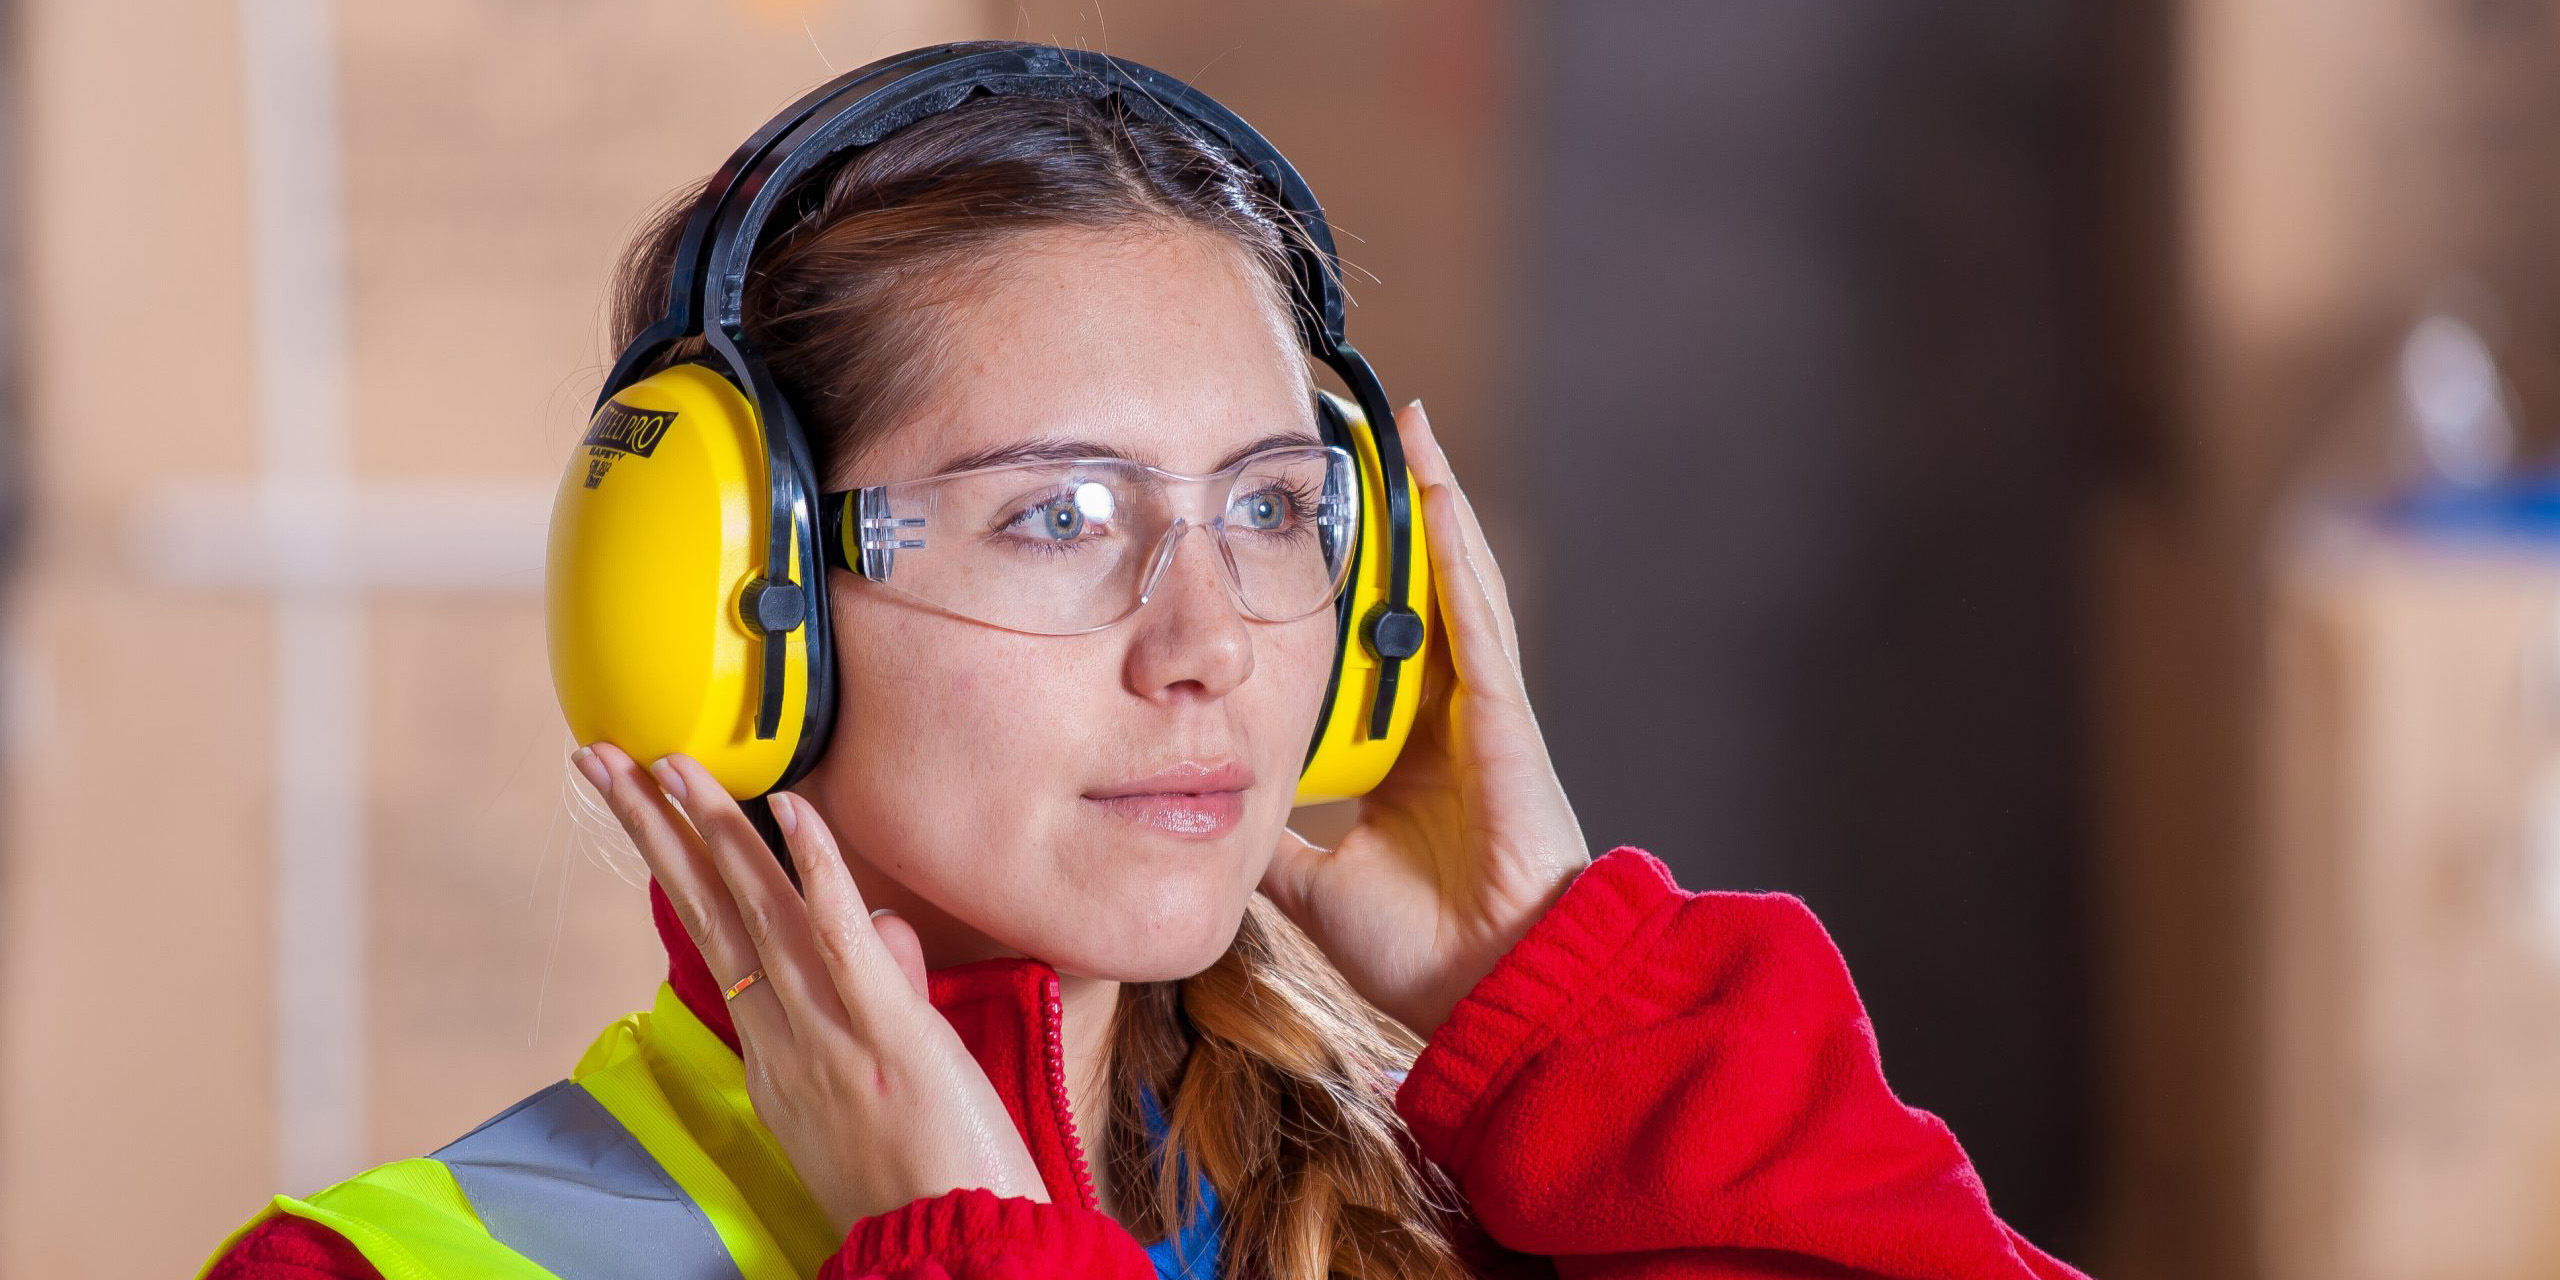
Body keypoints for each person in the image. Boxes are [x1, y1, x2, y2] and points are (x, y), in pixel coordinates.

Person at [201, 74, 2085, 1280]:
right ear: (724, 603)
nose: (1206, 651)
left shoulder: (1486, 1211)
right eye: (1059, 519)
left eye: (1271, 512)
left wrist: (1582, 1009)